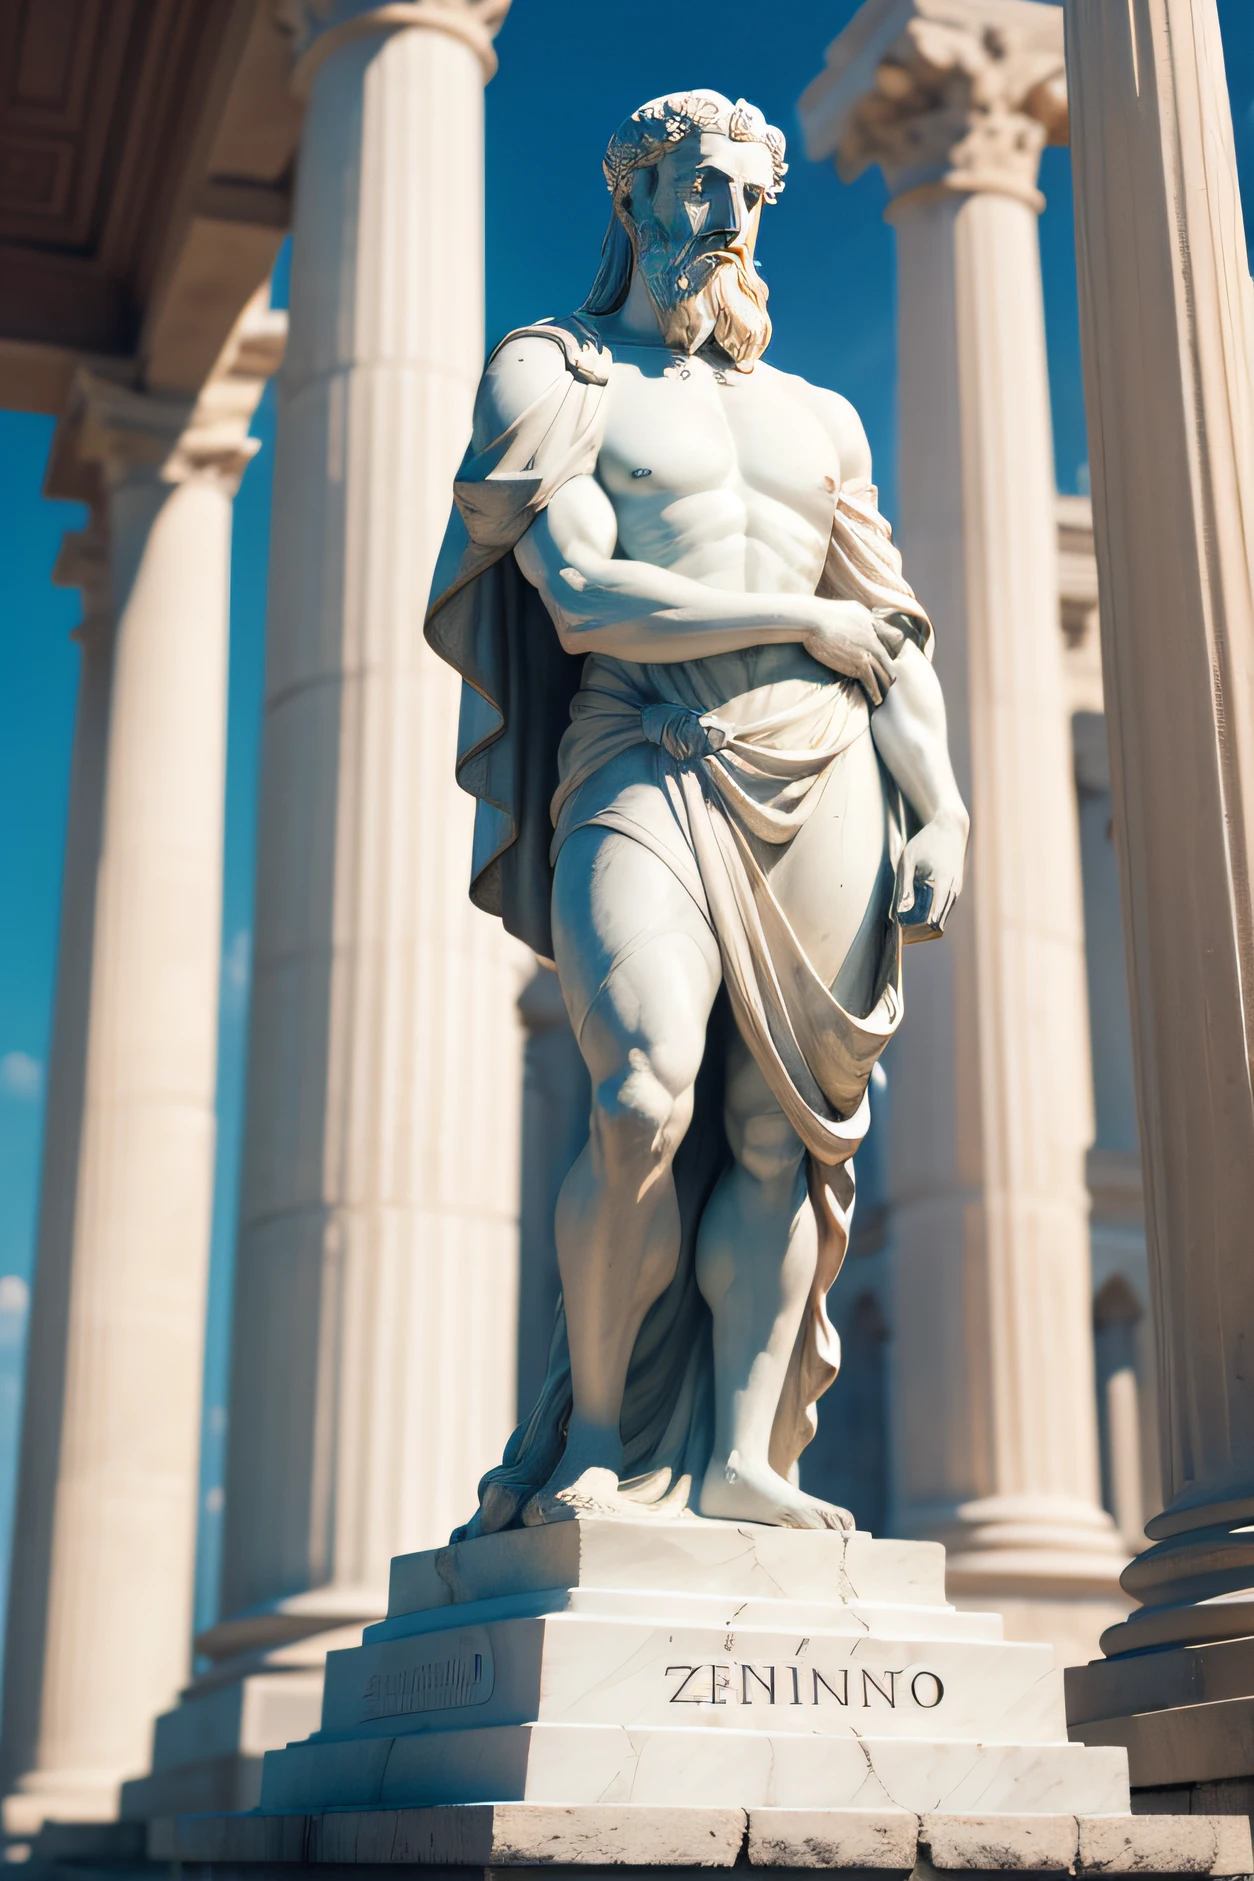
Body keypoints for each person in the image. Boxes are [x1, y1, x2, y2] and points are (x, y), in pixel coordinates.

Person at [426, 90, 968, 1534]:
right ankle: (594, 1433)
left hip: (824, 763)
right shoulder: (554, 378)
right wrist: (800, 614)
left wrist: (942, 801)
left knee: (779, 1130)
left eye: (745, 193)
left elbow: (888, 634)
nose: (722, 217)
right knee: (641, 1092)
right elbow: (588, 597)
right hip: (642, 753)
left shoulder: (817, 419)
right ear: (633, 196)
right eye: (693, 187)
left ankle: (740, 1458)